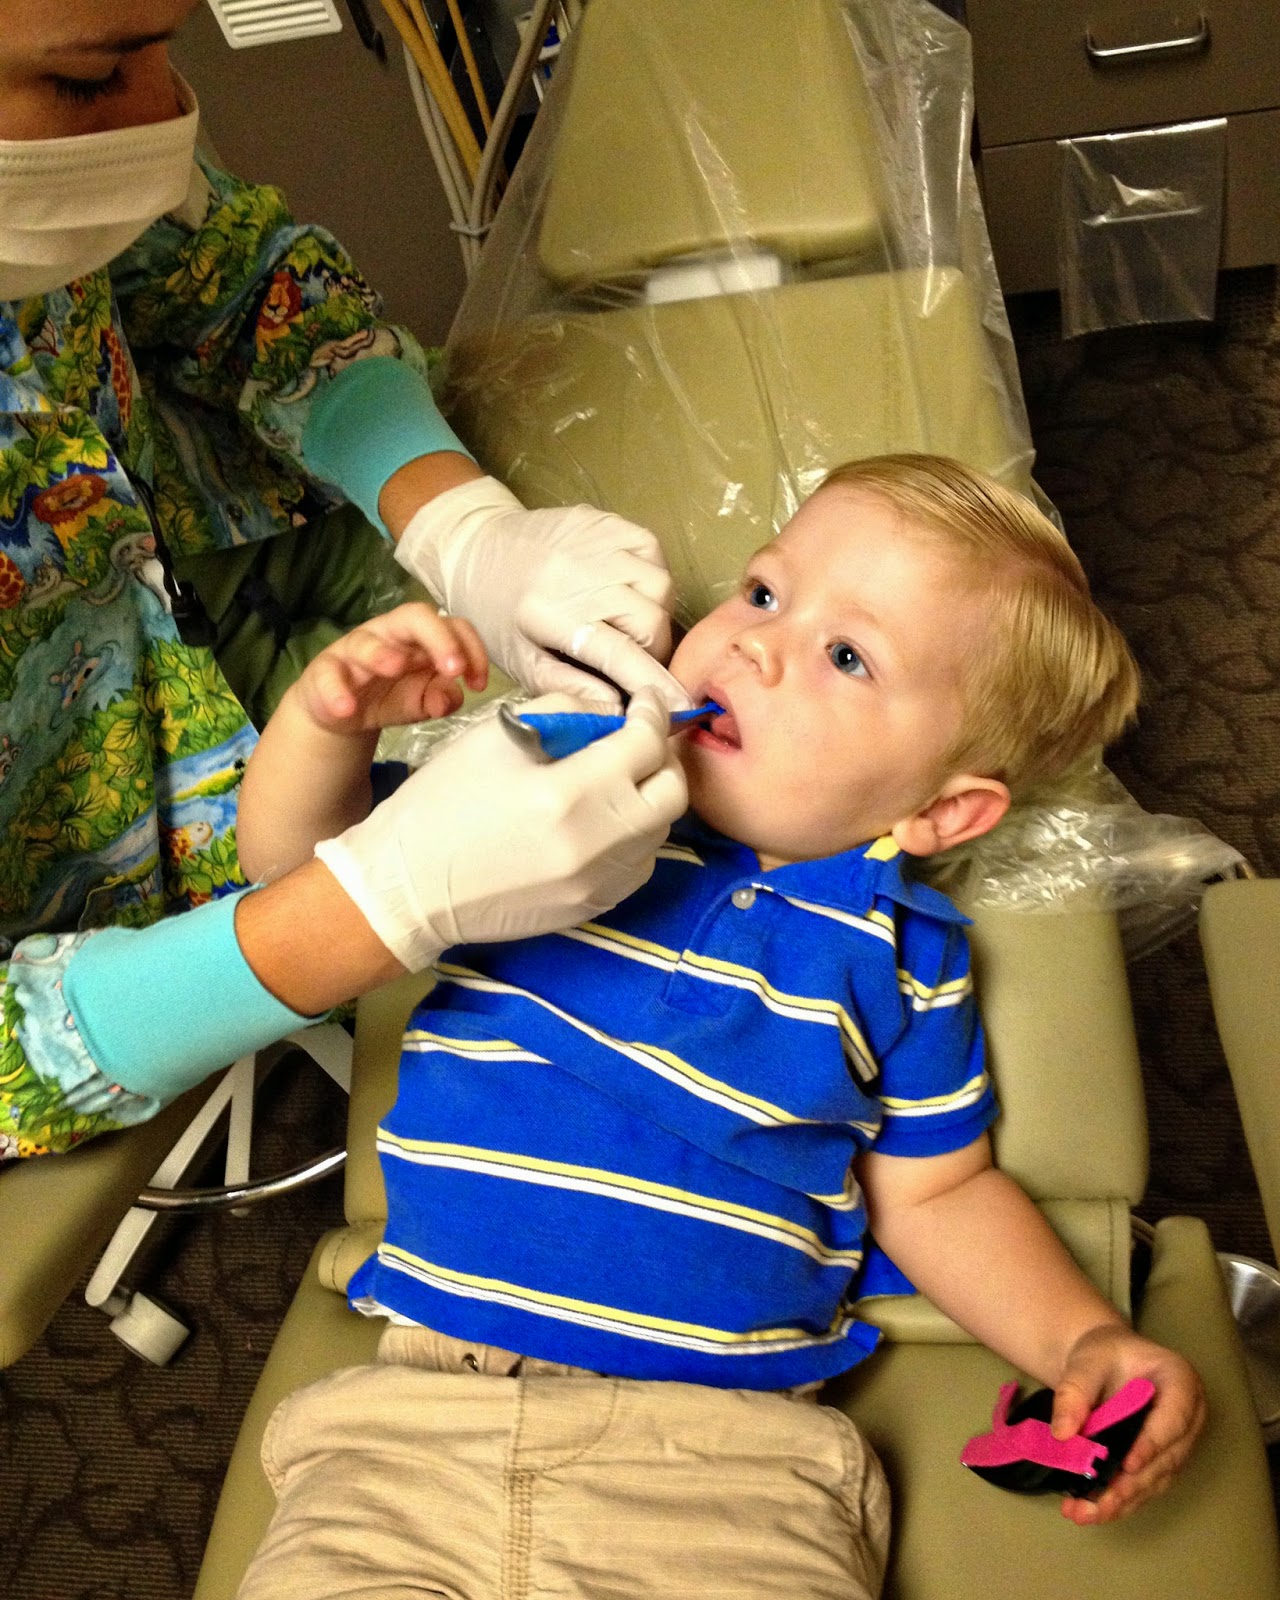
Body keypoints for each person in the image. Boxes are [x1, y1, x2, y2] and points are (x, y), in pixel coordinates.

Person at [232, 454, 1206, 1599]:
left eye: (846, 656)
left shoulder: (903, 957)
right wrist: (325, 728)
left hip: (723, 1466)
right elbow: (303, 881)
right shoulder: (544, 796)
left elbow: (938, 1195)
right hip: (413, 1427)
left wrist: (1080, 1339)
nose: (754, 645)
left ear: (941, 810)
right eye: (762, 590)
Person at [0, 0, 687, 1159]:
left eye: (171, 45)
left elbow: (237, 285)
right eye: (87, 79)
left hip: (190, 674)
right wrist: (362, 908)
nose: (168, 110)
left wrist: (461, 527)